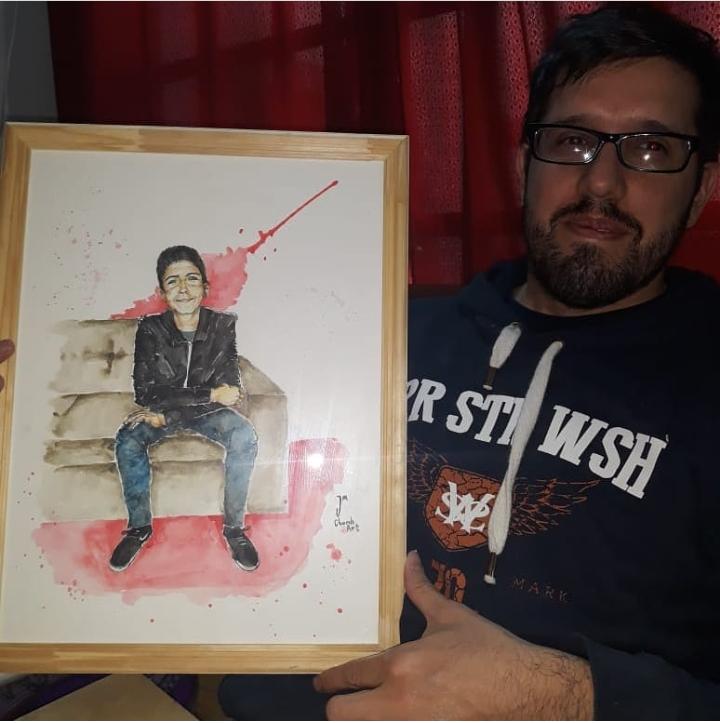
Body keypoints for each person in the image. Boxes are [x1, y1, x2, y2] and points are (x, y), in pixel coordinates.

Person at [220, 4, 720, 720]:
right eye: (572, 141)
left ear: (702, 188)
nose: (601, 184)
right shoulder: (384, 334)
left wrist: (558, 696)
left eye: (649, 148)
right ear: (523, 165)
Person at [109, 245, 260, 573]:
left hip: (192, 414)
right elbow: (146, 392)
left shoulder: (223, 326)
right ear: (162, 292)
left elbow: (230, 390)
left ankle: (234, 529)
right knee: (128, 438)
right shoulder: (150, 329)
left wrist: (170, 413)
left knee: (244, 435)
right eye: (172, 281)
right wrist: (209, 394)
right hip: (168, 410)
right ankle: (138, 528)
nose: (183, 288)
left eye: (191, 279)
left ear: (205, 287)